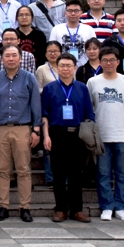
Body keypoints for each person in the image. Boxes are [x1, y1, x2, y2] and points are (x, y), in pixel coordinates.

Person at [0, 46, 42, 223]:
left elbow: (35, 105)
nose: (10, 59)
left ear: (20, 58)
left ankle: (24, 207)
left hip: (22, 128)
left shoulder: (29, 78)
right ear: (1, 59)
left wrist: (36, 129)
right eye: (7, 56)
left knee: (23, 169)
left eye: (14, 55)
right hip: (0, 128)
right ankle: (3, 206)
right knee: (2, 169)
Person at [41, 53, 95, 222]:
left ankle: (77, 210)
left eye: (69, 66)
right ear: (57, 68)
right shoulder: (50, 88)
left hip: (77, 135)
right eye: (62, 65)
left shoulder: (82, 88)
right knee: (58, 174)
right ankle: (60, 209)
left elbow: (89, 114)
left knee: (76, 174)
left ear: (74, 68)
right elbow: (44, 115)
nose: (65, 69)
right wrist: (46, 136)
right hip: (56, 134)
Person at [87, 47, 124, 222]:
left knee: (122, 174)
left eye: (112, 60)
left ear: (118, 62)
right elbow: (89, 107)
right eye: (105, 60)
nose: (108, 63)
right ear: (100, 62)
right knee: (103, 174)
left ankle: (121, 207)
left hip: (122, 134)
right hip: (101, 136)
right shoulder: (93, 82)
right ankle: (107, 207)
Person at [49, 0, 95, 67]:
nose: (73, 13)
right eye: (70, 11)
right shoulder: (56, 29)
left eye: (76, 11)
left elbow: (94, 49)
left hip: (84, 68)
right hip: (63, 67)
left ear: (81, 13)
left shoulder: (89, 29)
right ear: (65, 13)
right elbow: (51, 50)